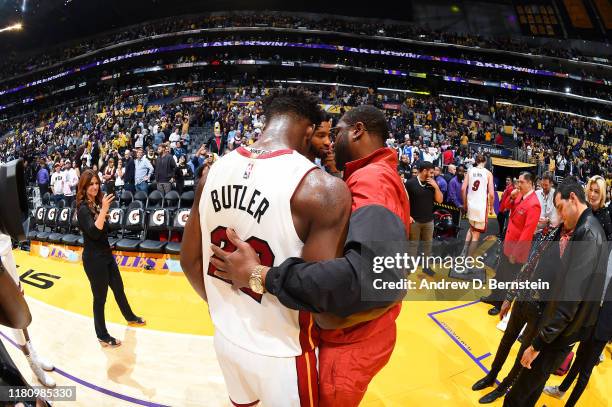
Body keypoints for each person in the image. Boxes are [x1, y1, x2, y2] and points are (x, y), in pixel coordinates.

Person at [206, 104, 410, 407]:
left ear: (357, 131)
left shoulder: (372, 181)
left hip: (350, 342)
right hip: (355, 335)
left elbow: (375, 277)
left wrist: (259, 275)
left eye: (336, 132)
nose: (330, 142)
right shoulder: (369, 176)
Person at [181, 88, 351, 406]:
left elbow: (190, 262)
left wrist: (228, 309)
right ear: (309, 129)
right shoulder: (323, 189)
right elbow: (322, 304)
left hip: (226, 340)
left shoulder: (212, 172)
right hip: (283, 354)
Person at [504, 179, 608, 407]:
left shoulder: (587, 234)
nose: (560, 215)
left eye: (560, 208)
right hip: (563, 330)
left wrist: (537, 344)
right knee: (531, 390)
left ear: (572, 199)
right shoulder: (590, 228)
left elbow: (570, 300)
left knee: (516, 397)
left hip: (559, 333)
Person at [76, 170, 145, 347]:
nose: (95, 186)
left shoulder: (96, 204)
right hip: (94, 260)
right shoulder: (83, 208)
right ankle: (102, 335)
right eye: (91, 184)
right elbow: (93, 232)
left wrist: (103, 214)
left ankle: (130, 316)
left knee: (119, 289)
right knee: (100, 299)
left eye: (96, 183)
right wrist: (104, 211)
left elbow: (105, 228)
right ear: (84, 186)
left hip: (106, 255)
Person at [0, 234, 55, 388]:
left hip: (8, 256)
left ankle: (34, 355)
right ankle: (33, 366)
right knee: (15, 319)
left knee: (22, 317)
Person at [482, 172, 540, 315]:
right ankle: (493, 296)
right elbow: (503, 208)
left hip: (517, 250)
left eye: (521, 182)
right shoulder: (519, 195)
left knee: (507, 278)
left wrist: (516, 253)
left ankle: (500, 303)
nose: (518, 185)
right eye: (518, 182)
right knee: (500, 273)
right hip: (508, 242)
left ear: (529, 183)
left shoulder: (534, 204)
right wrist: (511, 196)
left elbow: (527, 232)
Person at [405, 160, 443, 276]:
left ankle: (426, 267)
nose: (433, 174)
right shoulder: (410, 183)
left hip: (429, 221)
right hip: (414, 221)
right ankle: (409, 268)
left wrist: (436, 187)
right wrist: (408, 215)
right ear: (425, 171)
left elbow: (440, 200)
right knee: (413, 246)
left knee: (428, 247)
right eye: (431, 172)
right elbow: (404, 201)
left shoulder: (432, 184)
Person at [458, 154, 494, 270]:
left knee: (471, 228)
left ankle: (464, 252)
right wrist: (491, 207)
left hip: (471, 204)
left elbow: (463, 189)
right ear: (485, 161)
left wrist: (464, 203)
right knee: (476, 235)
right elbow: (492, 194)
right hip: (480, 206)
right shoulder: (488, 173)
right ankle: (468, 262)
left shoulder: (470, 170)